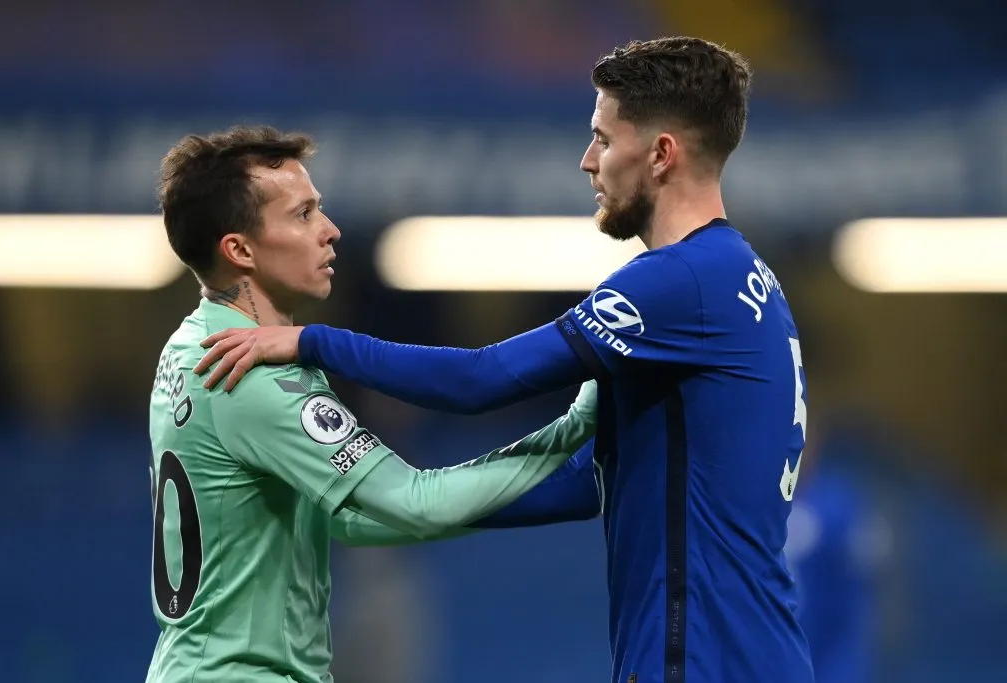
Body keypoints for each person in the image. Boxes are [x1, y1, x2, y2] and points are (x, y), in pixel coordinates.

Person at [196, 37, 813, 683]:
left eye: (603, 139)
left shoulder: (678, 282)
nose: (587, 160)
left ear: (661, 155)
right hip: (746, 653)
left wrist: (311, 342)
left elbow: (481, 379)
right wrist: (409, 503)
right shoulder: (744, 281)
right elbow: (596, 477)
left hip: (706, 662)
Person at [147, 125, 598, 683]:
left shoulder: (188, 346)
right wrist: (576, 427)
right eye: (303, 215)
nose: (330, 231)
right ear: (239, 249)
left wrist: (570, 488)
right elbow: (412, 502)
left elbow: (356, 519)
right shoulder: (251, 375)